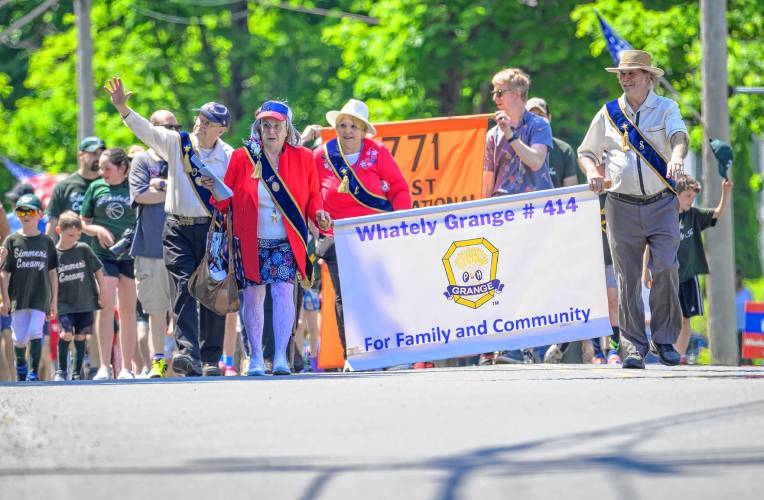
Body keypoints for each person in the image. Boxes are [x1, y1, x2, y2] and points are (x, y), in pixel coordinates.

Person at [104, 77, 233, 377]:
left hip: (212, 229)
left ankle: (211, 358)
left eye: (208, 121)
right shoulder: (178, 143)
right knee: (185, 288)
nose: (199, 124)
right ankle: (189, 353)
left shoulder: (228, 155)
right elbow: (146, 131)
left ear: (222, 128)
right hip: (176, 227)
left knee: (212, 291)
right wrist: (123, 109)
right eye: (199, 118)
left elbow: (236, 194)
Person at [578, 50, 689, 369]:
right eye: (622, 74)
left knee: (666, 267)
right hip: (621, 205)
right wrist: (591, 172)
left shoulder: (666, 107)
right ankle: (633, 348)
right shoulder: (608, 113)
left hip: (661, 202)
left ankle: (665, 339)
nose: (626, 79)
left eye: (633, 73)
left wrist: (678, 158)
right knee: (626, 278)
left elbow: (679, 136)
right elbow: (586, 151)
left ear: (649, 78)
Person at [210, 100, 331, 376]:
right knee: (253, 296)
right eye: (266, 125)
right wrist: (214, 193)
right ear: (258, 127)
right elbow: (225, 197)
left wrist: (319, 212)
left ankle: (279, 356)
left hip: (287, 240)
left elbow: (313, 196)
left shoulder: (303, 158)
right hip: (250, 239)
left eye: (277, 125)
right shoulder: (243, 157)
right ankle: (255, 358)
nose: (271, 131)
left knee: (283, 291)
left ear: (287, 128)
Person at [307, 98, 411, 362]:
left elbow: (398, 188)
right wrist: (317, 215)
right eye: (342, 125)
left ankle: (387, 352)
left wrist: (399, 223)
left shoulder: (378, 153)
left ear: (363, 130)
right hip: (336, 236)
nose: (347, 131)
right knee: (346, 298)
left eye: (354, 126)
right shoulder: (321, 156)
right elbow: (309, 193)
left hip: (373, 236)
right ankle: (353, 355)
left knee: (379, 293)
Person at [643, 174, 733, 362]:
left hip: (688, 275)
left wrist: (726, 191)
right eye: (687, 195)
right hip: (667, 275)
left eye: (693, 196)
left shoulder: (694, 215)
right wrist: (646, 271)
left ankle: (679, 355)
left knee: (685, 318)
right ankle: (660, 344)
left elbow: (717, 212)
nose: (691, 200)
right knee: (666, 315)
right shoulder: (664, 216)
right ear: (676, 193)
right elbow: (649, 245)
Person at [128, 109, 178, 378]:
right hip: (150, 247)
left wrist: (162, 185)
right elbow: (141, 195)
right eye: (164, 126)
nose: (171, 131)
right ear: (151, 129)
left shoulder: (182, 157)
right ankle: (158, 362)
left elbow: (195, 191)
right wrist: (174, 190)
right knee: (156, 309)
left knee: (184, 308)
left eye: (175, 126)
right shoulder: (141, 160)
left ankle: (182, 359)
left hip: (183, 244)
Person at [80, 147, 138, 380]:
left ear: (122, 168)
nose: (102, 172)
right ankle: (104, 366)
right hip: (103, 256)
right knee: (105, 307)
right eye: (100, 168)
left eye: (107, 168)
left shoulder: (134, 186)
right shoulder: (95, 187)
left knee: (127, 311)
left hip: (130, 255)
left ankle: (126, 367)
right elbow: (83, 223)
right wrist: (98, 230)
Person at [1, 194, 58, 381]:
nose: (26, 215)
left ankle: (33, 372)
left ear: (40, 215)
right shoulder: (11, 240)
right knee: (19, 339)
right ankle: (22, 366)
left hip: (40, 296)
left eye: (30, 211)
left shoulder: (47, 241)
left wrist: (54, 300)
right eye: (21, 211)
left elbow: (52, 273)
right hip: (18, 296)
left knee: (35, 331)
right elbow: (5, 272)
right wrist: (6, 298)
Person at [482, 68, 554, 198]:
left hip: (536, 205)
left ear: (517, 93)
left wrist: (510, 135)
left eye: (499, 93)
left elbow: (536, 162)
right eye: (494, 93)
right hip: (503, 208)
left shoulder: (540, 124)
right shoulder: (492, 134)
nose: (494, 98)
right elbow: (487, 182)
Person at [53, 211, 105, 381]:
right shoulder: (54, 254)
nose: (75, 238)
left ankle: (76, 373)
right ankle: (61, 371)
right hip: (64, 303)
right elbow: (49, 280)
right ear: (58, 230)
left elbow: (98, 271)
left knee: (81, 336)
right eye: (70, 235)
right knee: (66, 334)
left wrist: (102, 293)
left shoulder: (83, 248)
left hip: (85, 302)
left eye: (78, 235)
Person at [46, 136, 105, 245]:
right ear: (80, 154)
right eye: (93, 153)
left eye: (101, 153)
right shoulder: (64, 186)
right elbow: (52, 223)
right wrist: (50, 255)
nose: (98, 157)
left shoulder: (108, 184)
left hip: (103, 255)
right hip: (71, 254)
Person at [525, 97, 578, 188]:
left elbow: (571, 191)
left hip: (554, 202)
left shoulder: (564, 150)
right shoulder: (517, 147)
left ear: (549, 118)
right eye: (531, 116)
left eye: (540, 115)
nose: (536, 120)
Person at [736, 269, 753, 364]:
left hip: (745, 328)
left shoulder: (747, 292)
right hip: (733, 329)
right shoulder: (728, 293)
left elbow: (752, 309)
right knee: (737, 356)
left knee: (748, 356)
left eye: (737, 276)